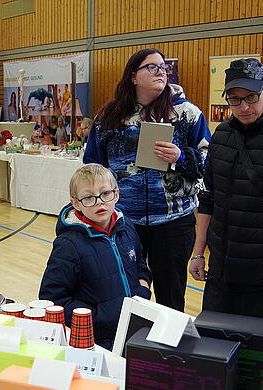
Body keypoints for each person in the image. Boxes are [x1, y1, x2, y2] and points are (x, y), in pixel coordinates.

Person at [84, 48, 210, 312]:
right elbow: (93, 168)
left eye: (163, 67)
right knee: (128, 294)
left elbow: (208, 162)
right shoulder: (108, 118)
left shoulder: (187, 114)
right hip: (124, 221)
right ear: (133, 76)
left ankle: (169, 339)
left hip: (174, 222)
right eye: (152, 67)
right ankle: (131, 338)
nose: (160, 72)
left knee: (171, 298)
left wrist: (180, 156)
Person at [189, 58, 263, 320]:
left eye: (251, 96)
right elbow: (208, 198)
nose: (243, 107)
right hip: (221, 273)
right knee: (213, 341)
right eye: (235, 99)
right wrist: (198, 253)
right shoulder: (221, 134)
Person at [39, 163, 151, 350]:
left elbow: (140, 265)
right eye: (88, 197)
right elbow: (52, 298)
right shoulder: (68, 245)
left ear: (116, 194)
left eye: (105, 193)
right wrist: (98, 317)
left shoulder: (127, 227)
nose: (99, 201)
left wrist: (143, 290)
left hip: (132, 329)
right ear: (76, 203)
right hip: (97, 340)